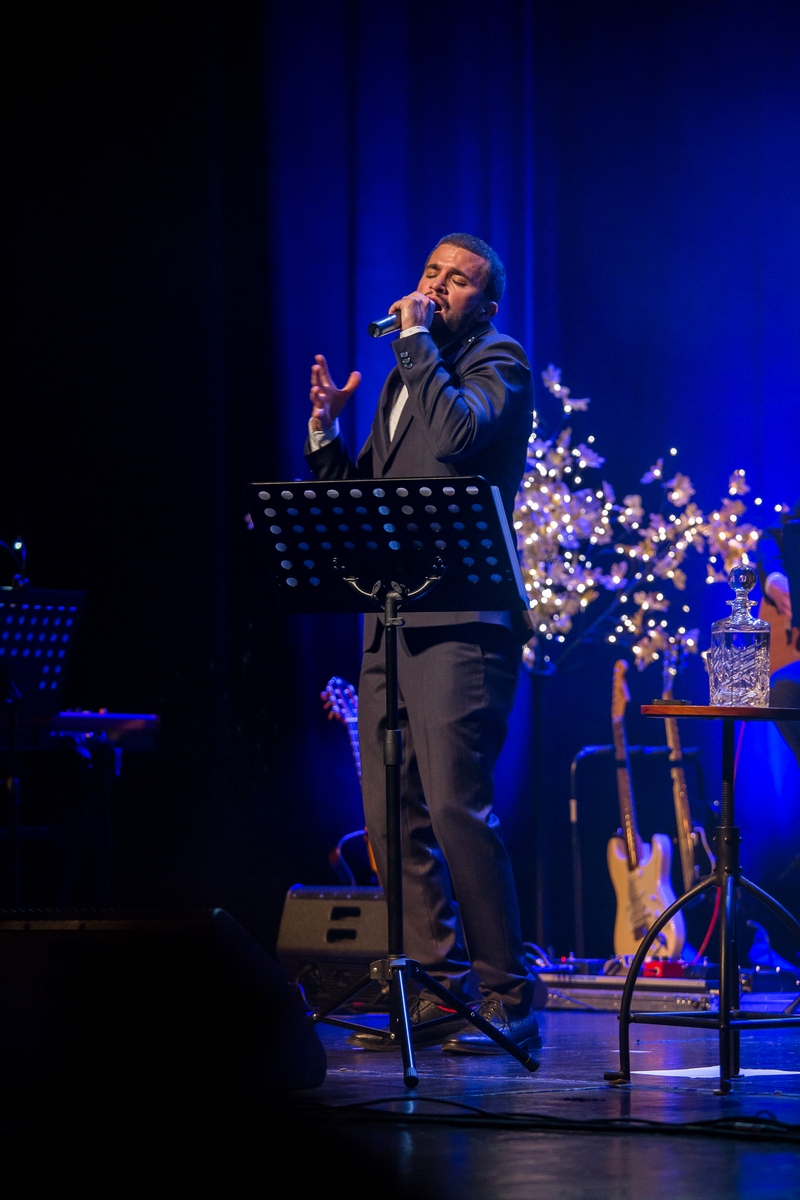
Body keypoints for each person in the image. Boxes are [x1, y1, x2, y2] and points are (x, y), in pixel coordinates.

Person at [304, 233, 540, 1055]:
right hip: (391, 622)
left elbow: (456, 440)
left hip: (462, 627)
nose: (438, 286)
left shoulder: (497, 361)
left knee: (454, 808)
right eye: (431, 272)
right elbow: (364, 503)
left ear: (485, 303)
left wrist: (413, 345)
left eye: (458, 280)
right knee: (390, 814)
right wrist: (326, 434)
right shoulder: (405, 382)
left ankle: (509, 994)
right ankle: (435, 991)